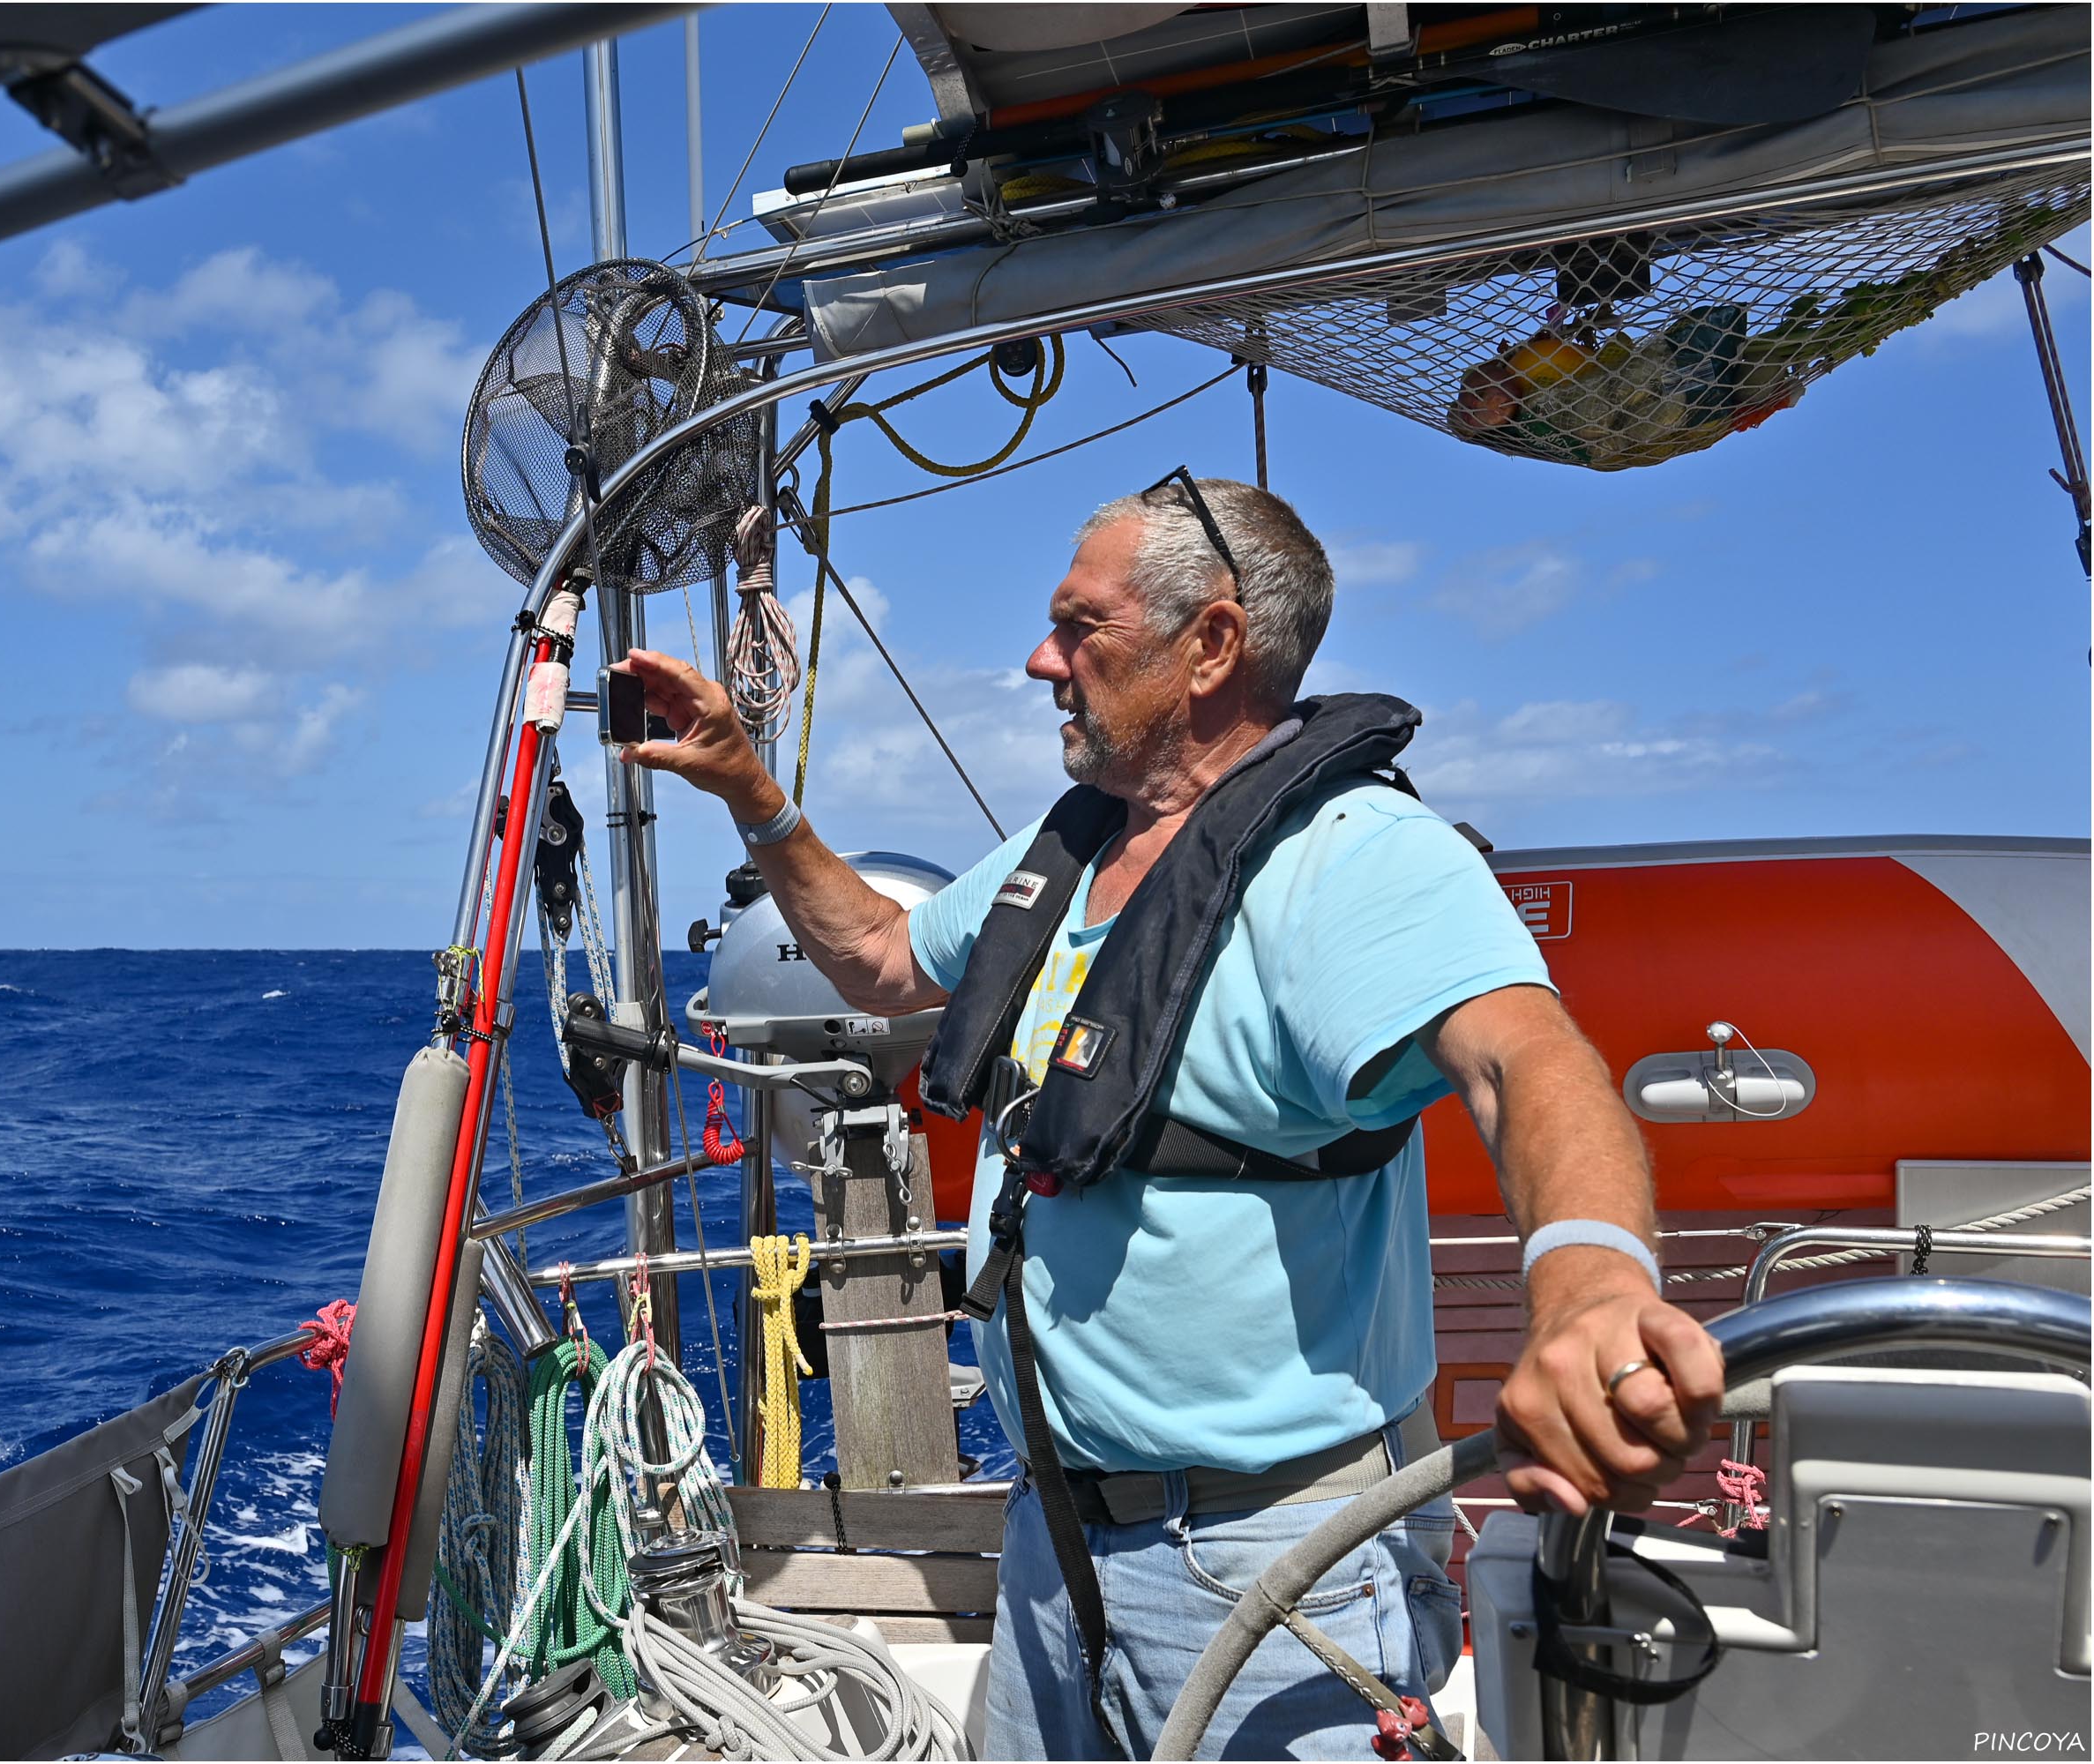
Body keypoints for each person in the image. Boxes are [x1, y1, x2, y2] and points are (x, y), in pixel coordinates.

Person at [614, 475, 1725, 1760]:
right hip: (1054, 1539)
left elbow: (1526, 1061)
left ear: (1210, 644)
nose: (1042, 660)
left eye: (1079, 626)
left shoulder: (1357, 857)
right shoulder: (1078, 847)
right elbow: (877, 953)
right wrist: (755, 793)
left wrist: (1590, 1289)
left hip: (1266, 1556)